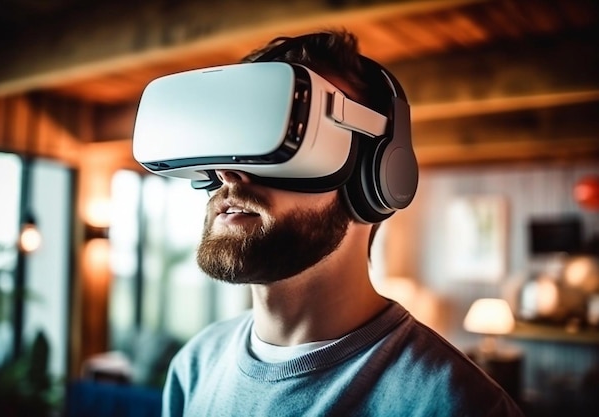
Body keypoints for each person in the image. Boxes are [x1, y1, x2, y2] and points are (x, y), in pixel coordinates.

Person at [160, 29, 524, 416]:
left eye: (290, 144)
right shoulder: (194, 366)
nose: (229, 174)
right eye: (236, 145)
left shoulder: (457, 404)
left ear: (377, 178)